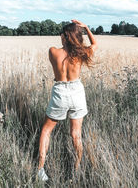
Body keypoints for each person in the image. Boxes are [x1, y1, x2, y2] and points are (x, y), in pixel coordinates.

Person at [37, 19, 98, 181]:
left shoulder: (53, 51)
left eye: (62, 35)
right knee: (76, 134)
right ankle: (76, 170)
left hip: (60, 91)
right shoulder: (82, 53)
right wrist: (86, 27)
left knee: (46, 130)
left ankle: (40, 170)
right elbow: (95, 44)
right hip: (77, 91)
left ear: (65, 36)